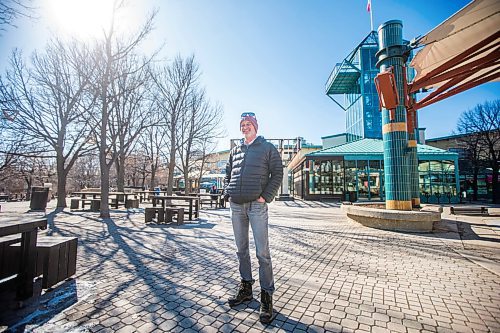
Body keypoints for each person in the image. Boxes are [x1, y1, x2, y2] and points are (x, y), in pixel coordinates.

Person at [223, 112, 283, 324]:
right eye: (242, 124)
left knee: (262, 253)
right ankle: (246, 287)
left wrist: (265, 196)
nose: (245, 127)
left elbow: (277, 173)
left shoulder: (267, 148)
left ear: (256, 126)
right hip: (236, 206)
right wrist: (227, 192)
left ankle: (266, 295)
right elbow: (228, 173)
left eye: (249, 124)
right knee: (241, 250)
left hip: (257, 207)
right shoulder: (235, 150)